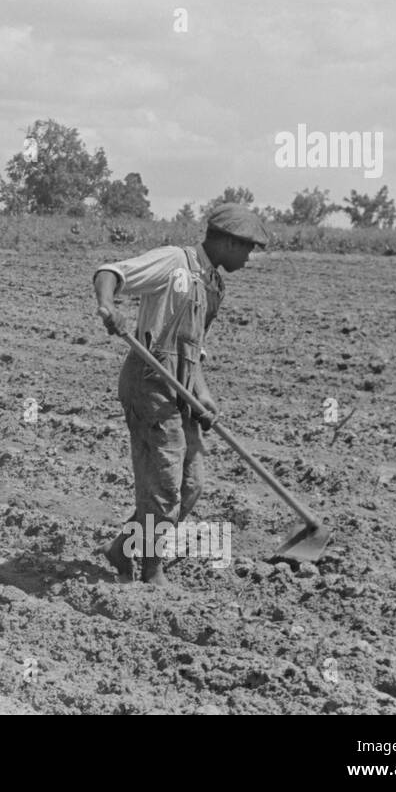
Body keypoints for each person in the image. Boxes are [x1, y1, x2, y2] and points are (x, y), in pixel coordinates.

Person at [92, 203, 268, 586]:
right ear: (226, 241)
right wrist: (108, 307)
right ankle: (151, 571)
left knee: (191, 486)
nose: (249, 257)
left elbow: (193, 347)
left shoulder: (213, 285)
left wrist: (202, 393)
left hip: (181, 387)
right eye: (247, 248)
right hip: (150, 382)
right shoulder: (175, 262)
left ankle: (124, 549)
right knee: (165, 485)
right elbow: (111, 271)